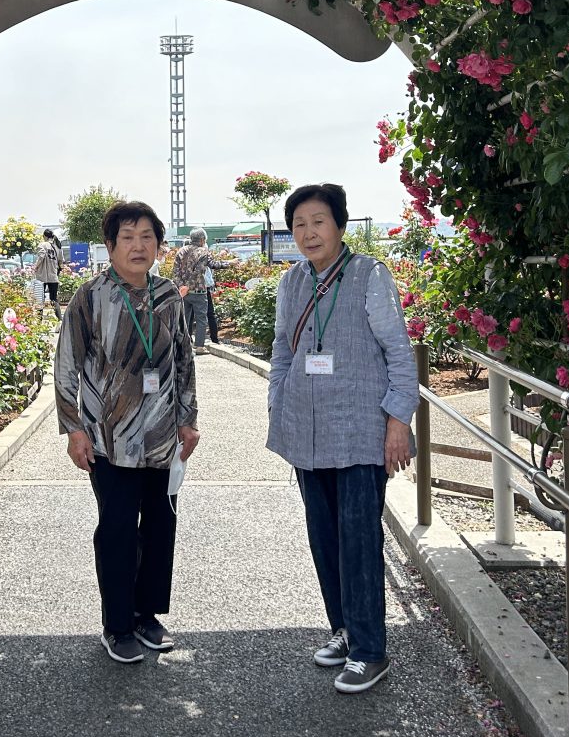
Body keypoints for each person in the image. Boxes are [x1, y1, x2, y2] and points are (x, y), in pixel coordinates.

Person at [266, 183, 416, 694]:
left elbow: (399, 352)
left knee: (359, 539)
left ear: (340, 225)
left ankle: (370, 651)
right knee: (324, 538)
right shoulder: (291, 281)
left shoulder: (370, 275)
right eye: (299, 225)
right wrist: (277, 401)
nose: (308, 233)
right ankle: (345, 630)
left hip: (359, 431)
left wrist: (398, 420)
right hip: (307, 431)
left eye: (318, 222)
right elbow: (282, 349)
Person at [54, 201, 199, 663]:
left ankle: (146, 615)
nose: (138, 246)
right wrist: (74, 429)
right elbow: (67, 366)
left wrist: (188, 419)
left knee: (159, 527)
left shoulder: (168, 295)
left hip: (161, 435)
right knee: (117, 529)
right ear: (111, 245)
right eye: (128, 237)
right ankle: (117, 625)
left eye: (147, 237)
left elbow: (183, 360)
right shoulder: (90, 297)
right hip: (108, 438)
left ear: (158, 244)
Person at [170, 228, 231, 354]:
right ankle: (199, 346)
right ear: (202, 239)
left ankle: (184, 345)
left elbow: (175, 272)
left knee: (185, 319)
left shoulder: (181, 251)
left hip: (183, 293)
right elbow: (212, 265)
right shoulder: (204, 252)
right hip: (198, 291)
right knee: (201, 319)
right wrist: (230, 263)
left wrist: (182, 287)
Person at [32, 229, 66, 317]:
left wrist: (36, 267)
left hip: (42, 276)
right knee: (53, 299)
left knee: (40, 298)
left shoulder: (42, 245)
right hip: (53, 276)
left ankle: (39, 320)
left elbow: (42, 255)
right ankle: (59, 319)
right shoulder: (57, 246)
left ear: (45, 236)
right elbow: (61, 261)